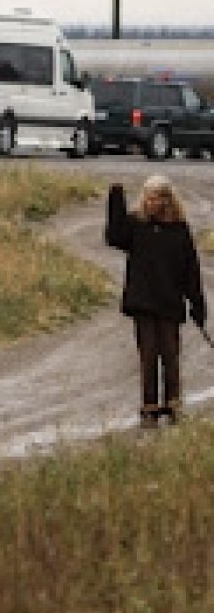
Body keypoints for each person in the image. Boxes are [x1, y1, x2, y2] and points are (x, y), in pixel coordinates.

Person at [105, 174, 206, 427]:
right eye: (147, 197)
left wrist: (197, 303)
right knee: (148, 356)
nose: (149, 202)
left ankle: (173, 405)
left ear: (166, 200)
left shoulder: (179, 229)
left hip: (170, 302)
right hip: (143, 302)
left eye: (155, 198)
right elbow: (114, 237)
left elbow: (190, 269)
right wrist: (116, 200)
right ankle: (149, 409)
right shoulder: (136, 225)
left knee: (170, 356)